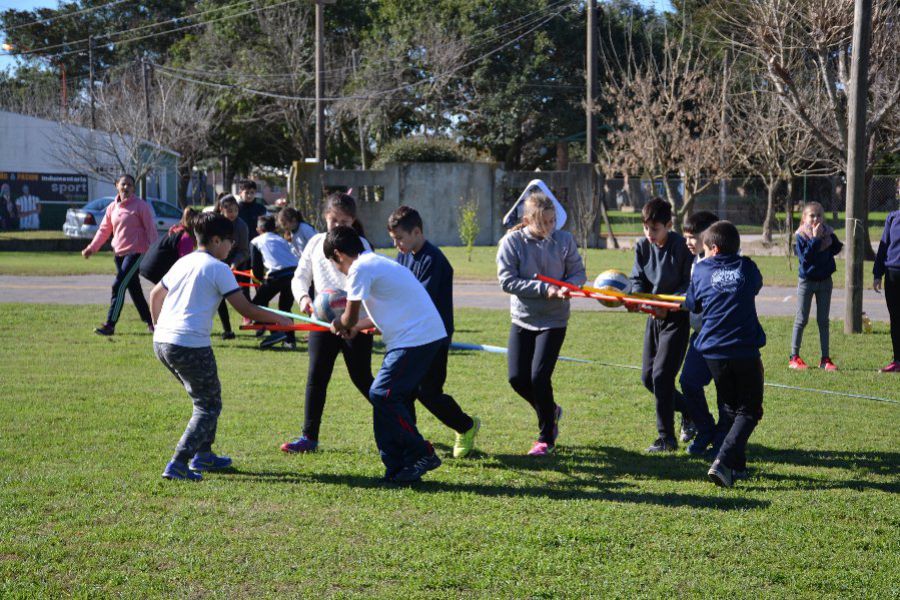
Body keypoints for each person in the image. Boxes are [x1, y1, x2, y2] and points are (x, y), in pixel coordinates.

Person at [150, 212, 292, 481]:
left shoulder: (184, 262)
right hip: (190, 344)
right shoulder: (218, 268)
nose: (231, 248)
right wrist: (278, 319)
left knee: (205, 397)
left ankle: (204, 455)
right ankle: (179, 463)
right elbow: (244, 308)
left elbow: (155, 294)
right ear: (216, 240)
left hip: (163, 342)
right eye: (230, 242)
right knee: (208, 405)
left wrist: (159, 327)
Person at [327, 225, 446, 483]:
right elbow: (379, 313)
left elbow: (350, 315)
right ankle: (397, 467)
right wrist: (354, 327)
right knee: (385, 399)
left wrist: (340, 323)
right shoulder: (376, 263)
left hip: (417, 338)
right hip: (420, 336)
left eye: (335, 264)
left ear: (338, 254)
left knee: (382, 394)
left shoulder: (359, 268)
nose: (339, 270)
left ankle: (421, 452)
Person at [281, 193, 374, 454]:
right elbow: (299, 277)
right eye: (334, 220)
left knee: (362, 378)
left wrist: (352, 321)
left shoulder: (362, 245)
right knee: (317, 377)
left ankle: (402, 426)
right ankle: (309, 437)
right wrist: (303, 299)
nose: (338, 226)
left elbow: (366, 284)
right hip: (321, 323)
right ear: (325, 217)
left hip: (355, 322)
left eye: (344, 221)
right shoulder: (314, 243)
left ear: (353, 221)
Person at [496, 190, 586, 456]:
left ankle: (546, 437)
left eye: (551, 221)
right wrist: (543, 289)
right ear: (527, 220)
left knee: (539, 377)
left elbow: (578, 272)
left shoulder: (564, 240)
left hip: (554, 319)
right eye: (542, 222)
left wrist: (570, 287)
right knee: (517, 378)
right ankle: (551, 410)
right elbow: (507, 281)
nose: (548, 228)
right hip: (523, 318)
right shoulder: (512, 242)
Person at [387, 206, 481, 458]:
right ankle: (411, 439)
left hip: (433, 338)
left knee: (428, 392)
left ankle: (466, 426)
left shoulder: (434, 261)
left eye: (400, 238)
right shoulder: (404, 256)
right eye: (393, 239)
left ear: (417, 231)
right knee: (404, 389)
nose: (397, 244)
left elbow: (418, 301)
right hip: (410, 335)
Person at [684, 221, 766, 487]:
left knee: (732, 410)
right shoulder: (748, 267)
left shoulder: (701, 270)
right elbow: (755, 286)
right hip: (743, 349)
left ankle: (736, 468)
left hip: (714, 352)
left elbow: (692, 304)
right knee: (750, 411)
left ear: (715, 249)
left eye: (706, 250)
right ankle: (723, 459)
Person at [630, 197, 693, 453]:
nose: (649, 234)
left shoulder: (681, 247)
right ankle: (692, 412)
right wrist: (636, 297)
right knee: (648, 378)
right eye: (646, 228)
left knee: (662, 376)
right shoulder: (642, 247)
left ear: (668, 225)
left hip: (676, 319)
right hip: (653, 319)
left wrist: (669, 306)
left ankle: (666, 438)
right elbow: (637, 278)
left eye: (655, 229)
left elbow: (689, 285)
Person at [671, 211, 727, 456]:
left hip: (723, 338)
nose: (688, 242)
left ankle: (723, 440)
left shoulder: (724, 261)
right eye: (686, 237)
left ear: (710, 234)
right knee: (688, 382)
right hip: (701, 336)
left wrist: (687, 302)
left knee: (726, 392)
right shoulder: (696, 261)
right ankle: (704, 428)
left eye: (693, 237)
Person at [82, 174, 157, 336]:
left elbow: (150, 229)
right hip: (119, 254)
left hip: (136, 252)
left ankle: (110, 325)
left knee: (118, 285)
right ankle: (152, 322)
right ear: (117, 185)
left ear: (133, 189)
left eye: (130, 185)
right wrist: (91, 248)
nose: (126, 187)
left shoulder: (140, 206)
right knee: (134, 290)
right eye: (123, 184)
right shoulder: (112, 208)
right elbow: (104, 231)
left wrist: (153, 248)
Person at [789, 201, 843, 371]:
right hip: (807, 281)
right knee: (801, 319)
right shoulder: (801, 236)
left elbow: (836, 248)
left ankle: (825, 359)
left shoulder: (827, 233)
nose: (816, 218)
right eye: (812, 215)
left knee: (823, 321)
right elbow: (806, 258)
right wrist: (815, 239)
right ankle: (794, 357)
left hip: (825, 281)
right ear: (804, 218)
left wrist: (827, 238)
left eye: (819, 215)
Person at [251, 215, 300, 350]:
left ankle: (276, 333)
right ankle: (290, 341)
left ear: (258, 229)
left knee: (256, 304)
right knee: (285, 308)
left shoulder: (256, 241)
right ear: (274, 228)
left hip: (278, 275)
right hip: (295, 273)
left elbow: (256, 267)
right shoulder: (282, 240)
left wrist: (259, 280)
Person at [215, 196, 250, 340]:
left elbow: (244, 251)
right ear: (221, 210)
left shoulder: (241, 226)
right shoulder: (215, 223)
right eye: (229, 211)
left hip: (235, 264)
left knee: (238, 295)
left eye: (235, 210)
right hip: (217, 262)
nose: (232, 214)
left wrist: (235, 263)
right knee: (218, 296)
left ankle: (249, 317)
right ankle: (227, 330)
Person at [140, 208, 198, 284]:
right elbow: (184, 263)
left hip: (146, 265)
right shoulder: (186, 237)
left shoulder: (176, 230)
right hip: (155, 270)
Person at [873, 208, 900, 373]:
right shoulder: (892, 217)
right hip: (892, 275)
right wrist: (877, 274)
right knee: (896, 319)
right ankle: (897, 361)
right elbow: (883, 247)